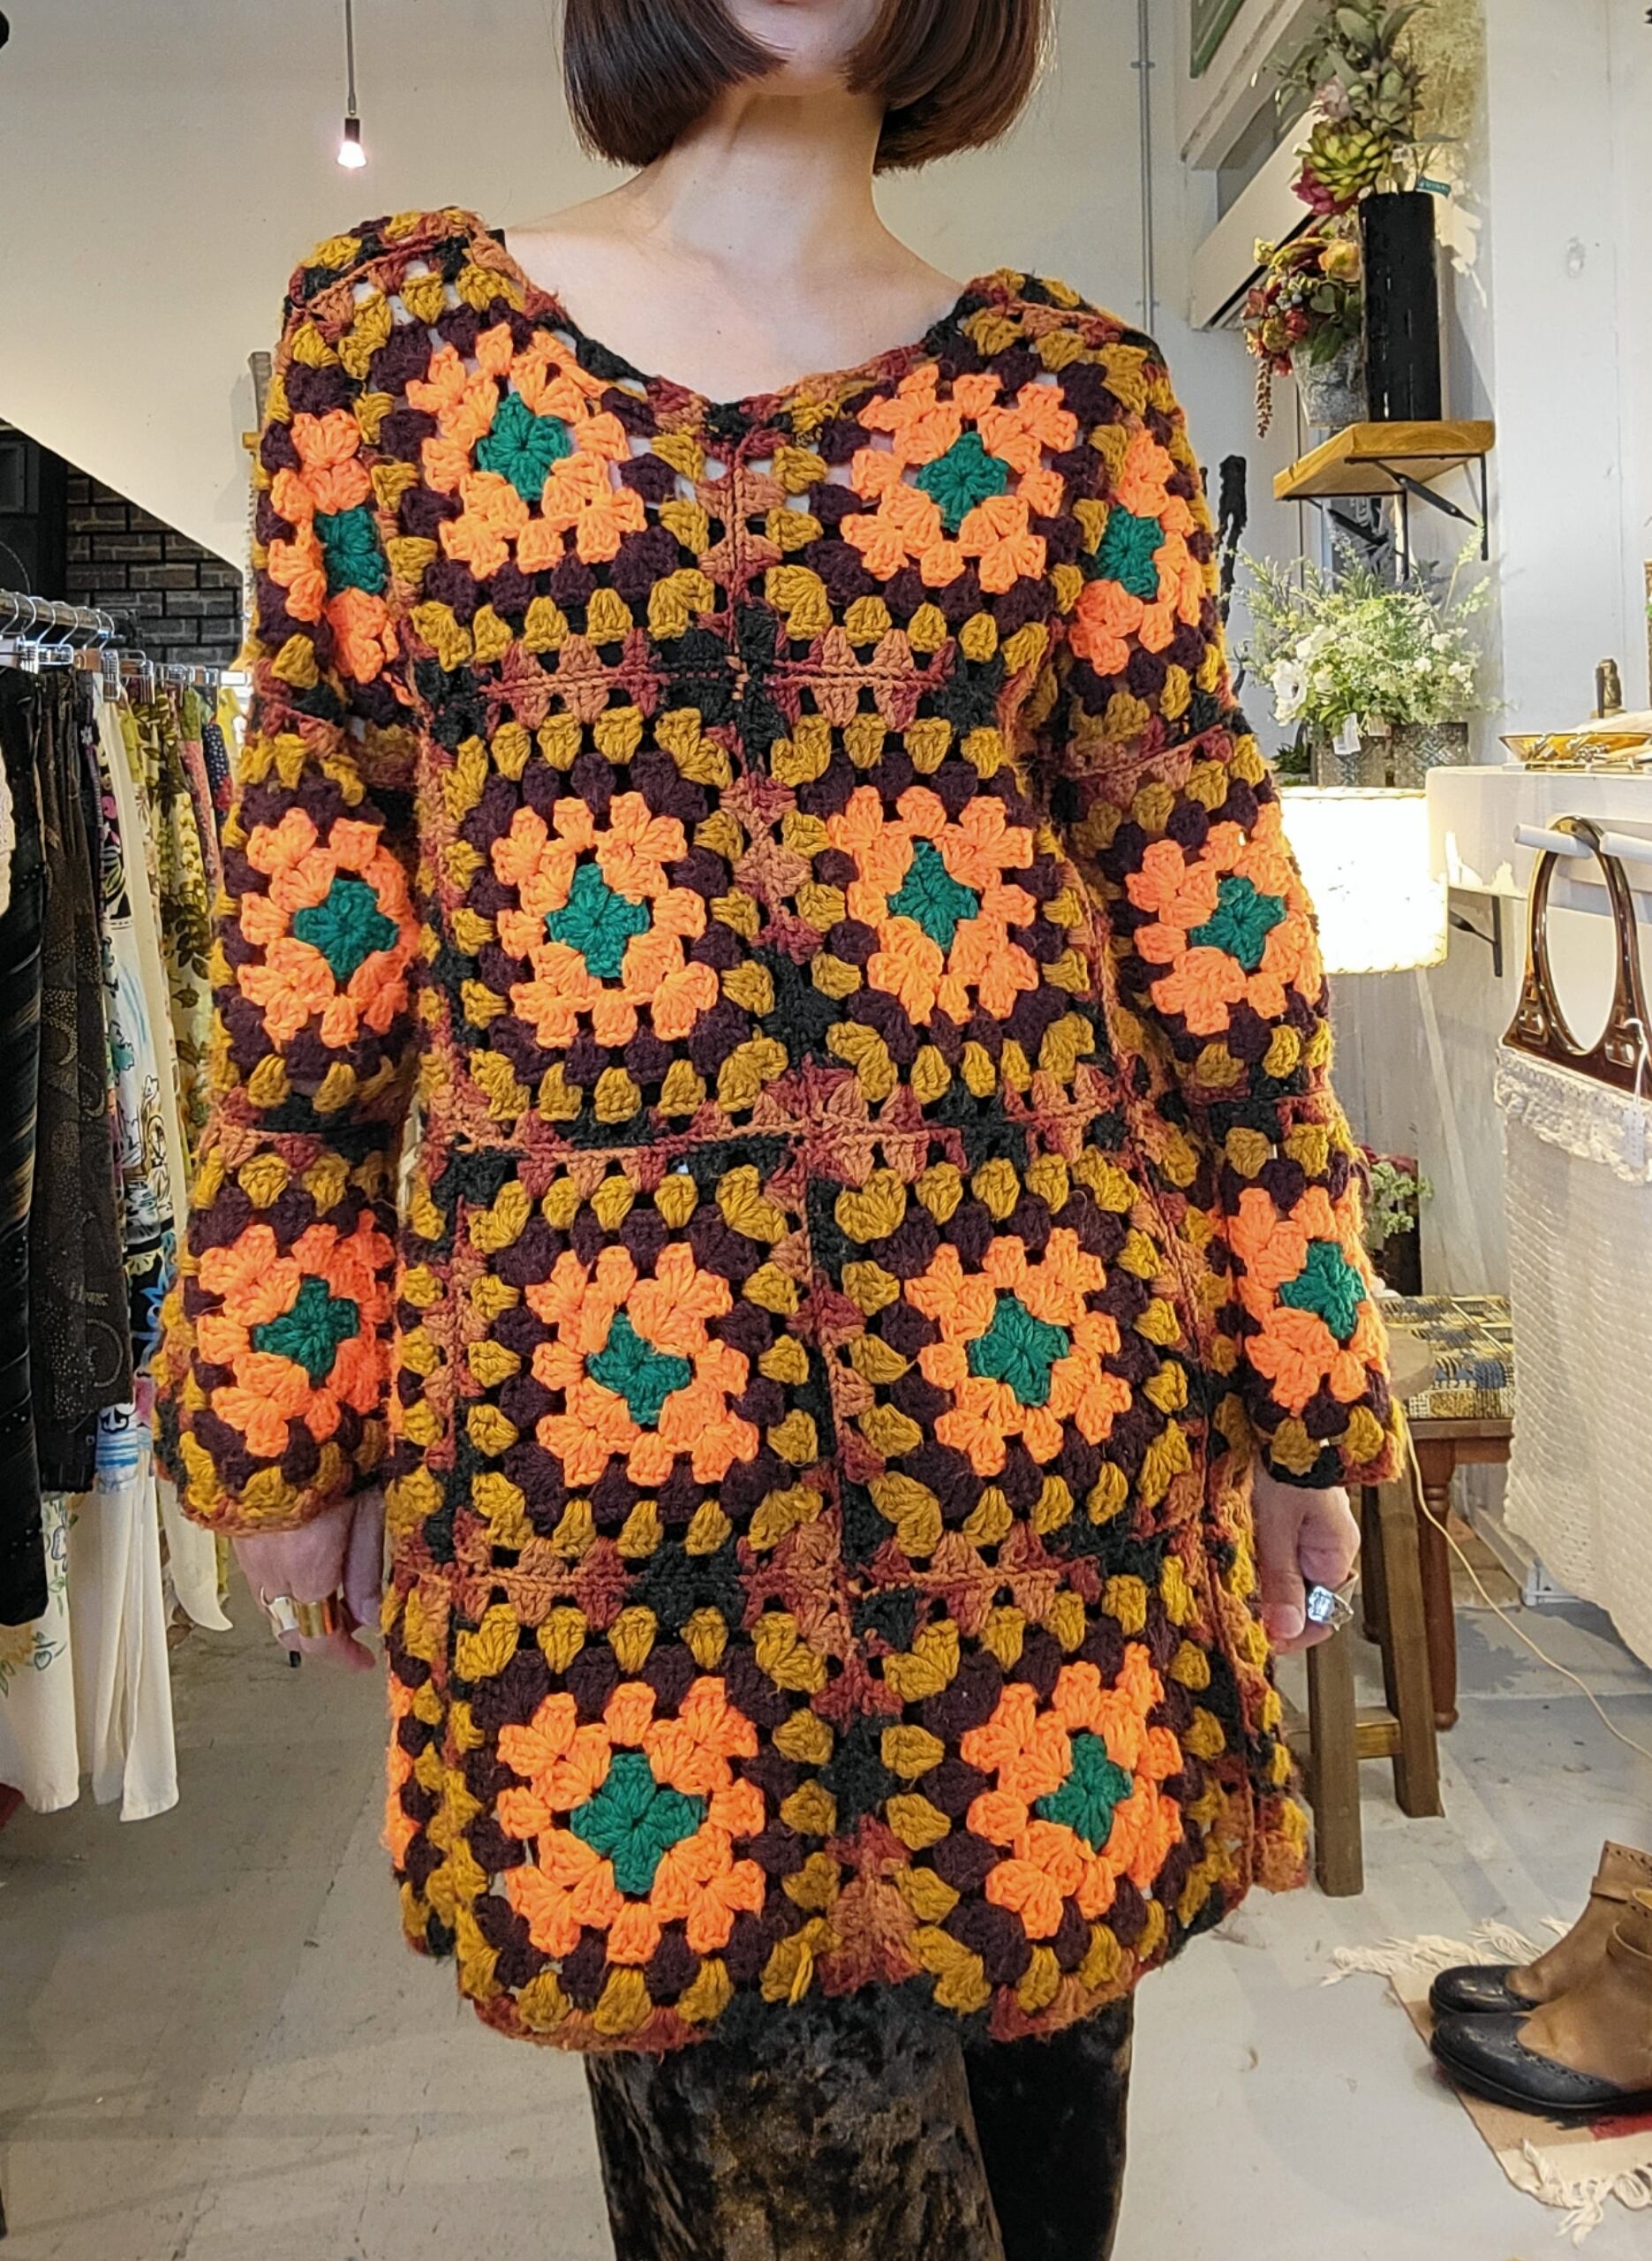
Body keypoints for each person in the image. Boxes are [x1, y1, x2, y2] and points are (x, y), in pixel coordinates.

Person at [154, 2, 1392, 2252]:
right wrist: (289, 1402)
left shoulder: (1071, 400)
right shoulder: (394, 363)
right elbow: (314, 916)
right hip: (615, 1504)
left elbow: (1212, 924)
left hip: (1048, 1473)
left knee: (1051, 2170)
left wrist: (1297, 1387)